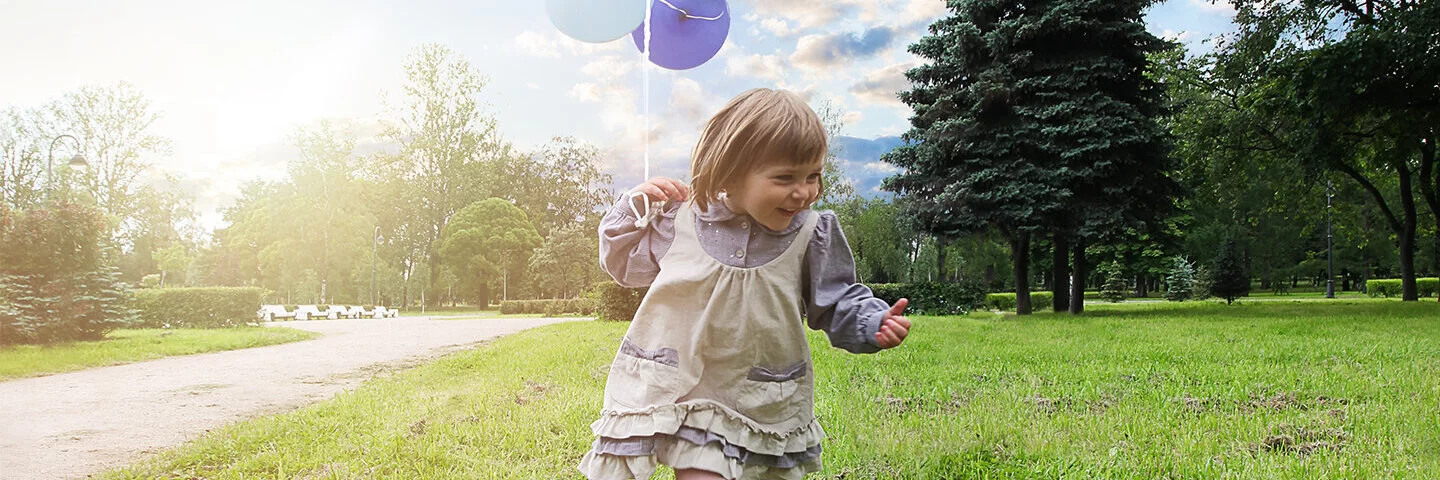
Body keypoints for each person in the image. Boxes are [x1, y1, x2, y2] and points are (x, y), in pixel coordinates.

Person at [578, 88, 912, 480]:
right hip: (686, 387)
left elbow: (836, 301)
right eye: (785, 178)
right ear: (730, 174)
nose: (804, 191)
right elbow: (623, 266)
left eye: (813, 176)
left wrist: (870, 322)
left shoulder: (812, 234)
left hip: (760, 396)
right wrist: (630, 206)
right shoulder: (680, 222)